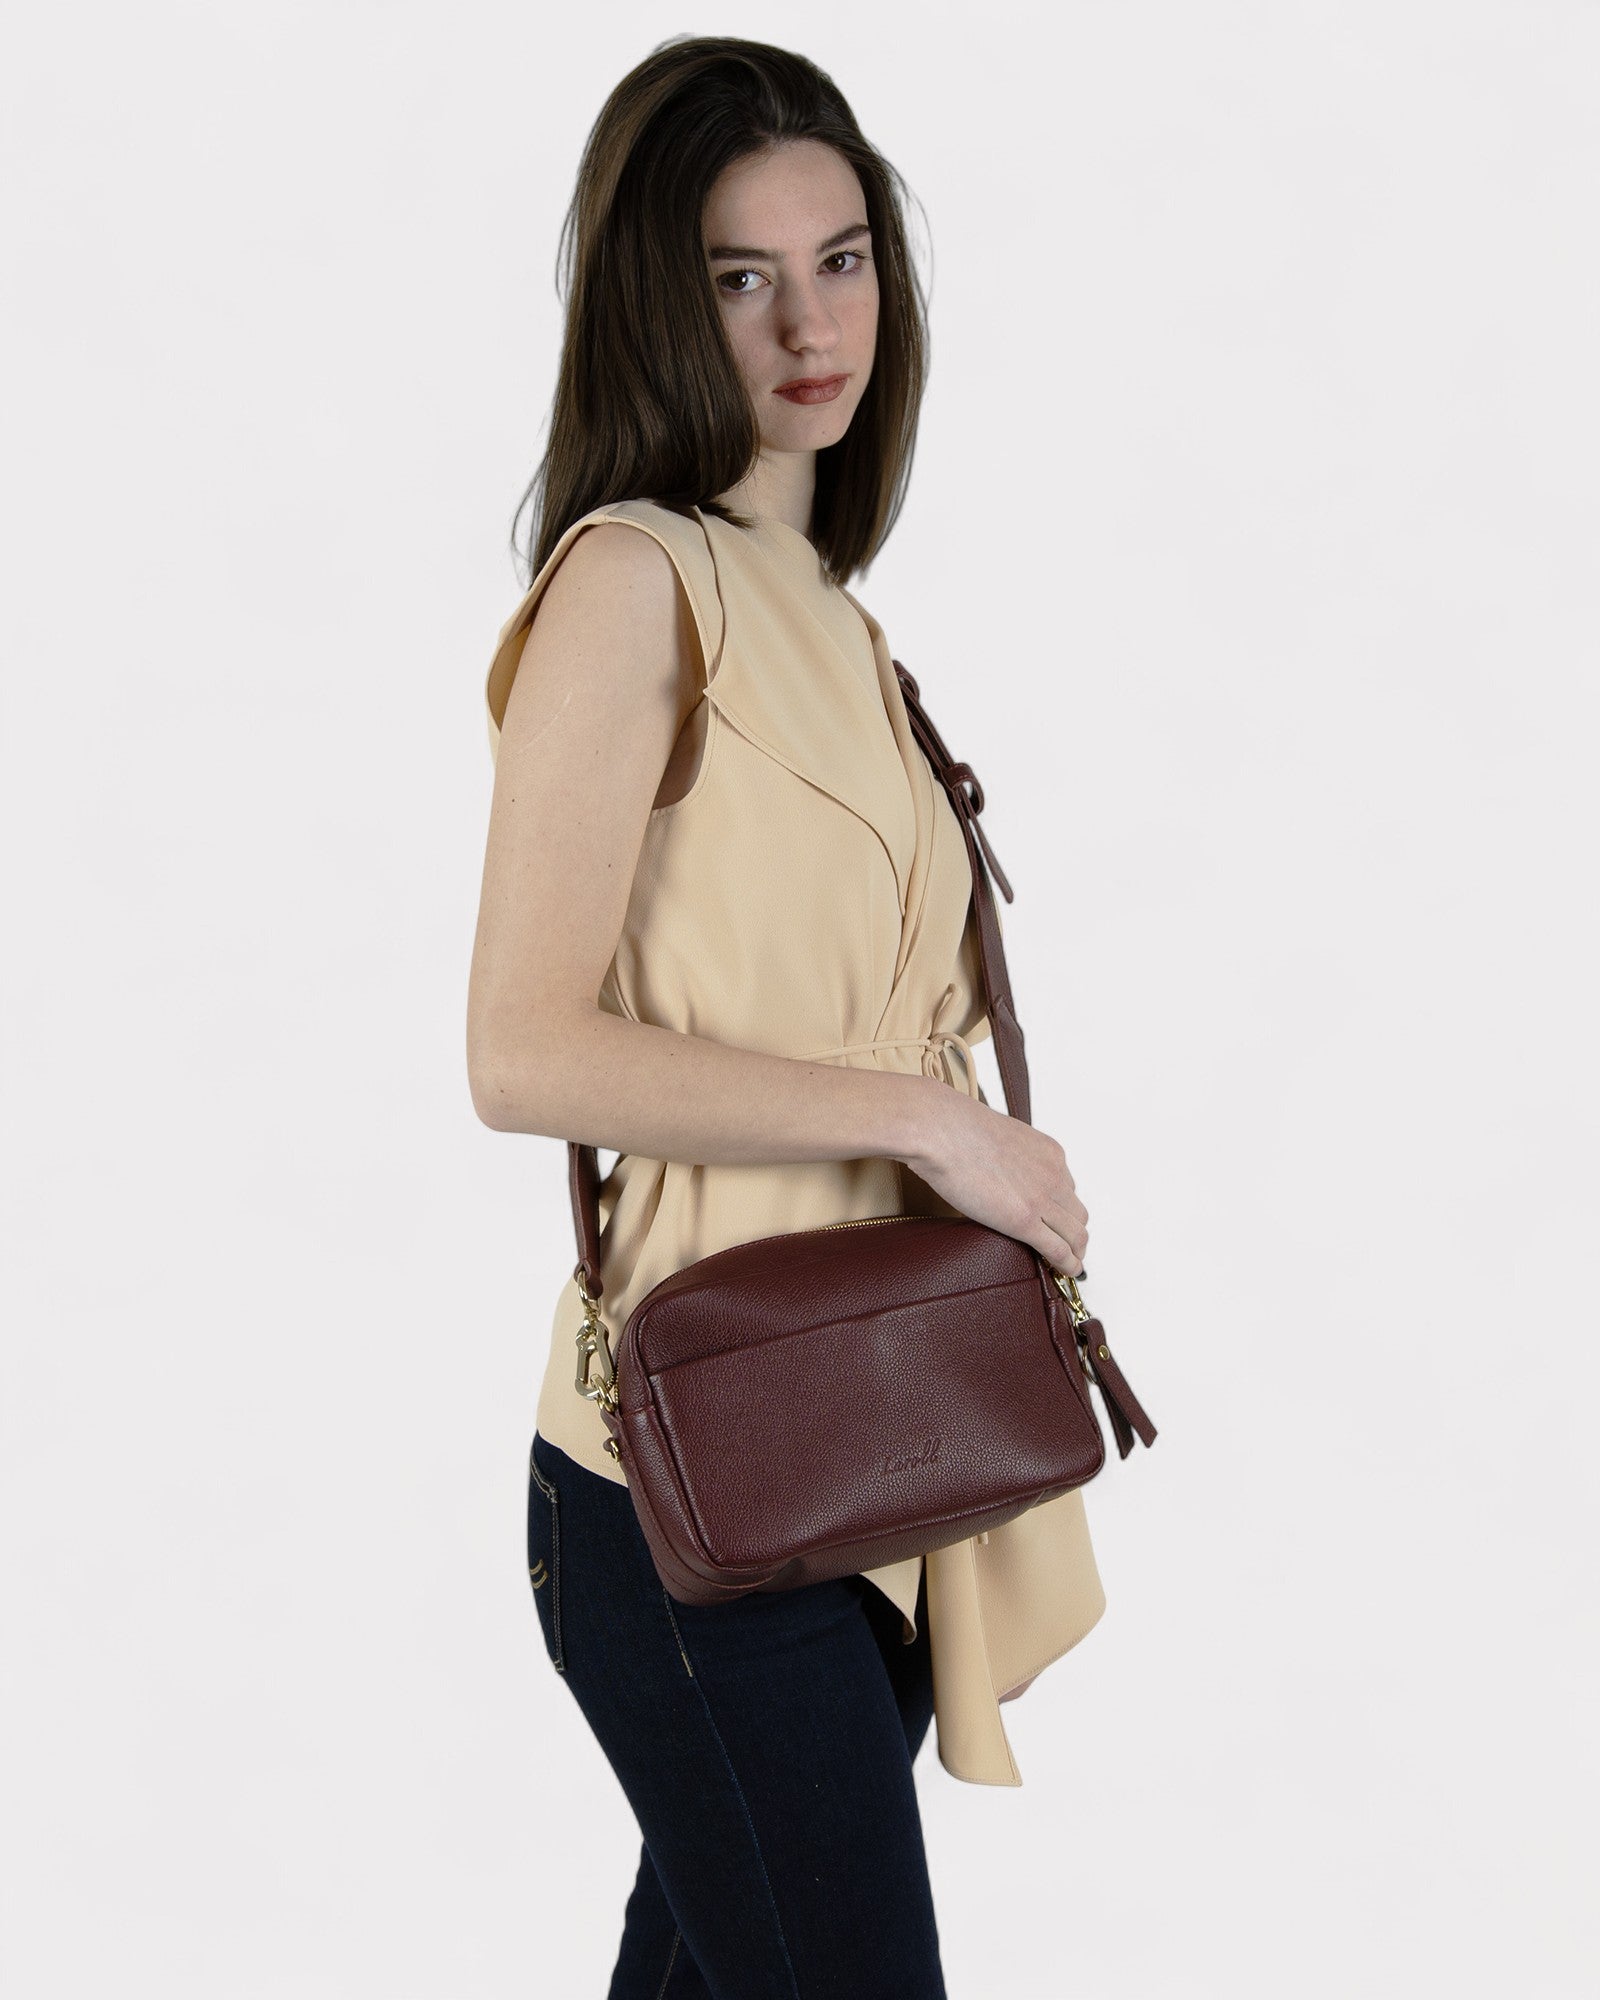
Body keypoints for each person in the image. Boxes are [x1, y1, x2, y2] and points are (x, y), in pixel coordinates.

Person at [467, 35, 1106, 1999]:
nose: (806, 320)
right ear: (656, 297)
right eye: (740, 276)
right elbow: (520, 1053)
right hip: (693, 1486)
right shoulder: (633, 585)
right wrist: (929, 1126)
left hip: (865, 1449)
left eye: (839, 259)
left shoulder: (828, 610)